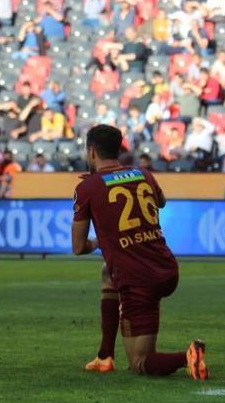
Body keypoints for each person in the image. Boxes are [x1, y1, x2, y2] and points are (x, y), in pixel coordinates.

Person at [72, 124, 207, 380]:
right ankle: (104, 356)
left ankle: (187, 356)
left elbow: (78, 247)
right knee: (108, 273)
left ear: (91, 152)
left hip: (138, 281)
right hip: (165, 268)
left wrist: (101, 241)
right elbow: (162, 202)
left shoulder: (88, 188)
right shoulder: (142, 174)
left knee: (140, 363)